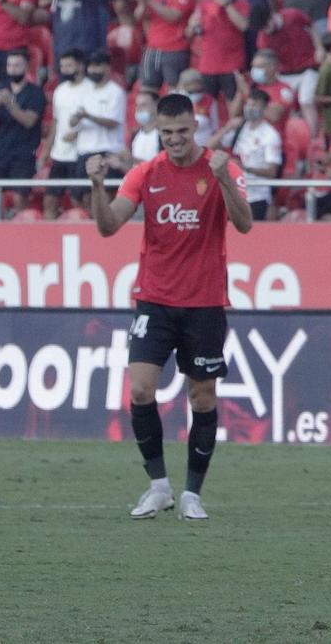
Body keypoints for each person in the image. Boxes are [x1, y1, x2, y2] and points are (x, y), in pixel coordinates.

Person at [88, 91, 252, 521]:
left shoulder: (222, 167)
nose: (174, 140)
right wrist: (98, 187)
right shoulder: (145, 174)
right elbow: (108, 227)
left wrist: (220, 180)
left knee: (202, 397)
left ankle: (192, 493)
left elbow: (245, 223)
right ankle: (158, 486)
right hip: (154, 300)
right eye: (166, 132)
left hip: (204, 303)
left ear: (195, 126)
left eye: (181, 131)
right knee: (140, 388)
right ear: (156, 130)